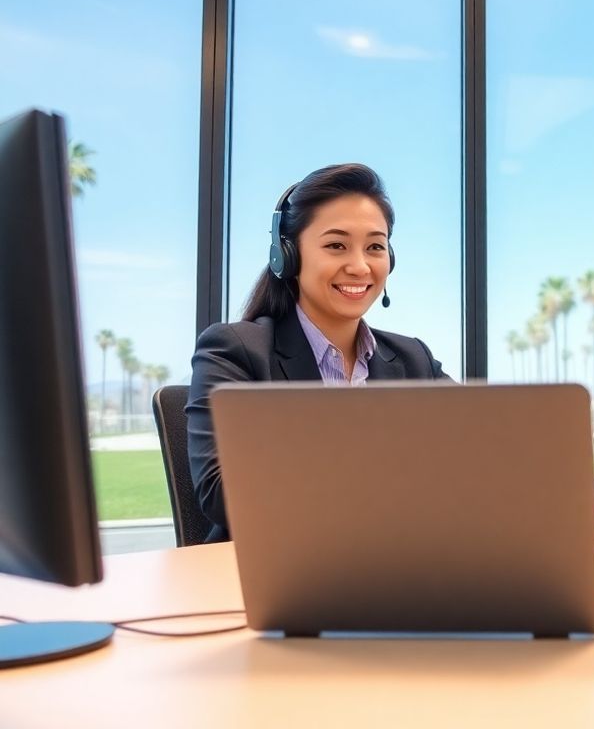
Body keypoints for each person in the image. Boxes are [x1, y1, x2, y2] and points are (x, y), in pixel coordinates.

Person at [186, 163, 449, 542]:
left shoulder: (413, 359)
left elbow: (473, 458)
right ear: (288, 256)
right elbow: (221, 493)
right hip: (278, 572)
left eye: (375, 246)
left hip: (399, 566)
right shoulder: (235, 351)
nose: (359, 266)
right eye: (336, 245)